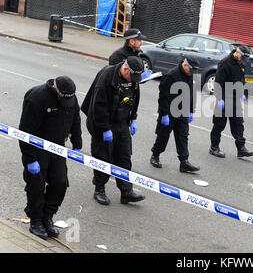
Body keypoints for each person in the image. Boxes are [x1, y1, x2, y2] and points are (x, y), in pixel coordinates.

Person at [18, 76, 82, 240]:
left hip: (58, 147)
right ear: (55, 89)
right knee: (36, 186)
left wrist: (77, 144)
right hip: (37, 148)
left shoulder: (70, 97)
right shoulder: (37, 98)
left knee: (60, 182)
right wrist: (30, 159)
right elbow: (25, 131)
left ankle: (47, 216)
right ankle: (36, 220)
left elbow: (75, 120)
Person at [81, 56, 145, 206]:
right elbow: (98, 106)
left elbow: (135, 98)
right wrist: (104, 129)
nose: (134, 80)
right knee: (103, 157)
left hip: (121, 121)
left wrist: (133, 118)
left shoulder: (133, 78)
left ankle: (126, 191)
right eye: (132, 76)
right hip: (102, 122)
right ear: (124, 68)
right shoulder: (107, 77)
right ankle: (99, 189)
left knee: (124, 156)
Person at [150, 56, 201, 173]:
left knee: (183, 137)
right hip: (169, 111)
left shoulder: (190, 74)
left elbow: (191, 93)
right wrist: (164, 114)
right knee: (163, 136)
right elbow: (163, 97)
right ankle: (155, 155)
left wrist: (191, 110)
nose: (192, 73)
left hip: (182, 112)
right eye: (191, 70)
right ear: (184, 65)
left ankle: (184, 162)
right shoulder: (171, 75)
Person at [209, 46, 253, 159]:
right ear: (237, 53)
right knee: (219, 124)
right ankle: (214, 147)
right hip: (224, 98)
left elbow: (241, 80)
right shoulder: (225, 63)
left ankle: (241, 149)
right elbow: (218, 83)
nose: (243, 60)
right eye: (243, 57)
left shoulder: (241, 64)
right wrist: (220, 99)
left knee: (238, 124)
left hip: (235, 100)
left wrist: (242, 92)